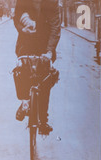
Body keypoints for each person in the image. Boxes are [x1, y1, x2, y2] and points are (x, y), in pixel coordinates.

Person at [13, 0, 61, 135]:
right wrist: (22, 29)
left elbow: (55, 27)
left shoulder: (52, 2)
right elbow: (16, 16)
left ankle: (43, 121)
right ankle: (25, 103)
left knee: (45, 80)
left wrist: (50, 51)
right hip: (25, 43)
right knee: (20, 71)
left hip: (44, 46)